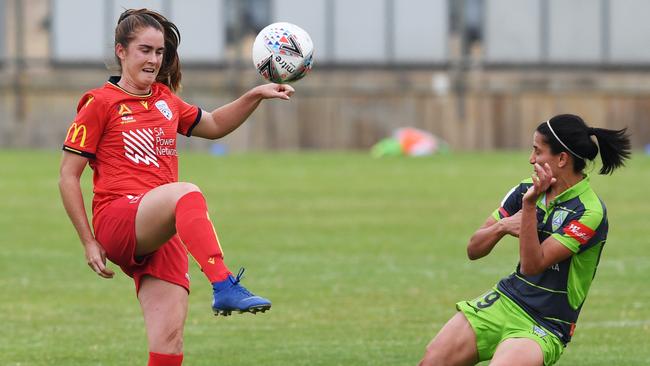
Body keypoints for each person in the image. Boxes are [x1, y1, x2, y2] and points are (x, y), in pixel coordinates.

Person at [58, 9, 295, 366]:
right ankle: (224, 284)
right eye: (145, 50)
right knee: (187, 192)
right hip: (119, 219)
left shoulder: (166, 100)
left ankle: (221, 288)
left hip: (161, 228)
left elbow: (213, 125)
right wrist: (88, 241)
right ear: (121, 51)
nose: (154, 59)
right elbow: (67, 175)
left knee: (169, 343)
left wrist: (255, 95)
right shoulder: (100, 103)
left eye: (159, 52)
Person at [419, 114, 631, 366]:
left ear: (562, 159)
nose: (531, 159)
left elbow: (533, 266)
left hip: (546, 322)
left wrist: (529, 206)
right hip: (507, 298)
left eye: (537, 151)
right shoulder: (523, 189)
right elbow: (473, 249)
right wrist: (501, 227)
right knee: (432, 361)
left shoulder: (588, 211)